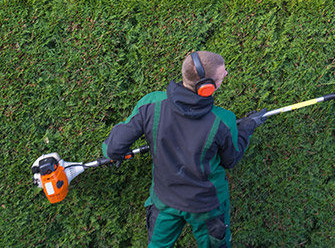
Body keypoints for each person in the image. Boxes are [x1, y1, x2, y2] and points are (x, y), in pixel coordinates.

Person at [102, 51, 267, 247]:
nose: (226, 75)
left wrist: (117, 153)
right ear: (207, 88)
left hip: (164, 201)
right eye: (223, 74)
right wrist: (247, 128)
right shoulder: (223, 120)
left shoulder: (151, 104)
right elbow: (230, 159)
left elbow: (112, 148)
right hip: (207, 206)